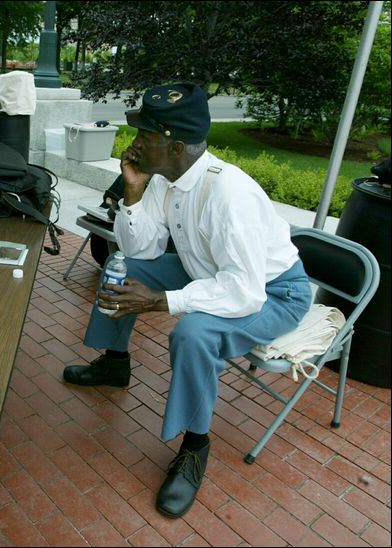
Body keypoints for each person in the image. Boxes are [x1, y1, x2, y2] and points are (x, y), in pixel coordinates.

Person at [62, 83, 311, 518]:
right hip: (209, 272)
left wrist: (163, 300)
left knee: (193, 333)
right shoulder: (163, 178)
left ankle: (195, 446)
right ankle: (115, 362)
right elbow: (139, 251)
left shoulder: (229, 194)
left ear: (175, 146)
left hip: (274, 292)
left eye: (145, 136)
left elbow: (245, 291)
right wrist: (134, 193)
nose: (134, 143)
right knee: (124, 267)